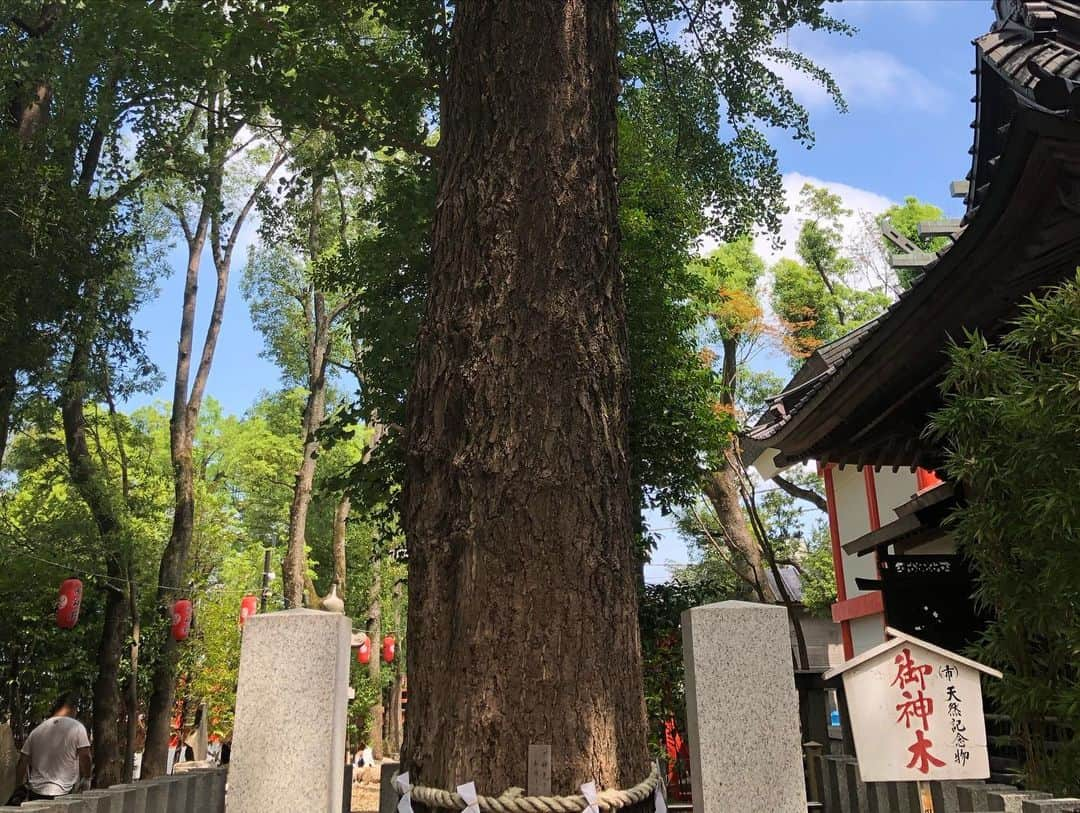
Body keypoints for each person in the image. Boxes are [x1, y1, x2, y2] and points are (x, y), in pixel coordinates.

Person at [16, 693, 91, 800]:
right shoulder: (77, 728)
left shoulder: (37, 730)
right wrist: (87, 778)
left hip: (36, 792)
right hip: (64, 792)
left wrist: (19, 786)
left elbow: (22, 761)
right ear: (74, 708)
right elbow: (85, 755)